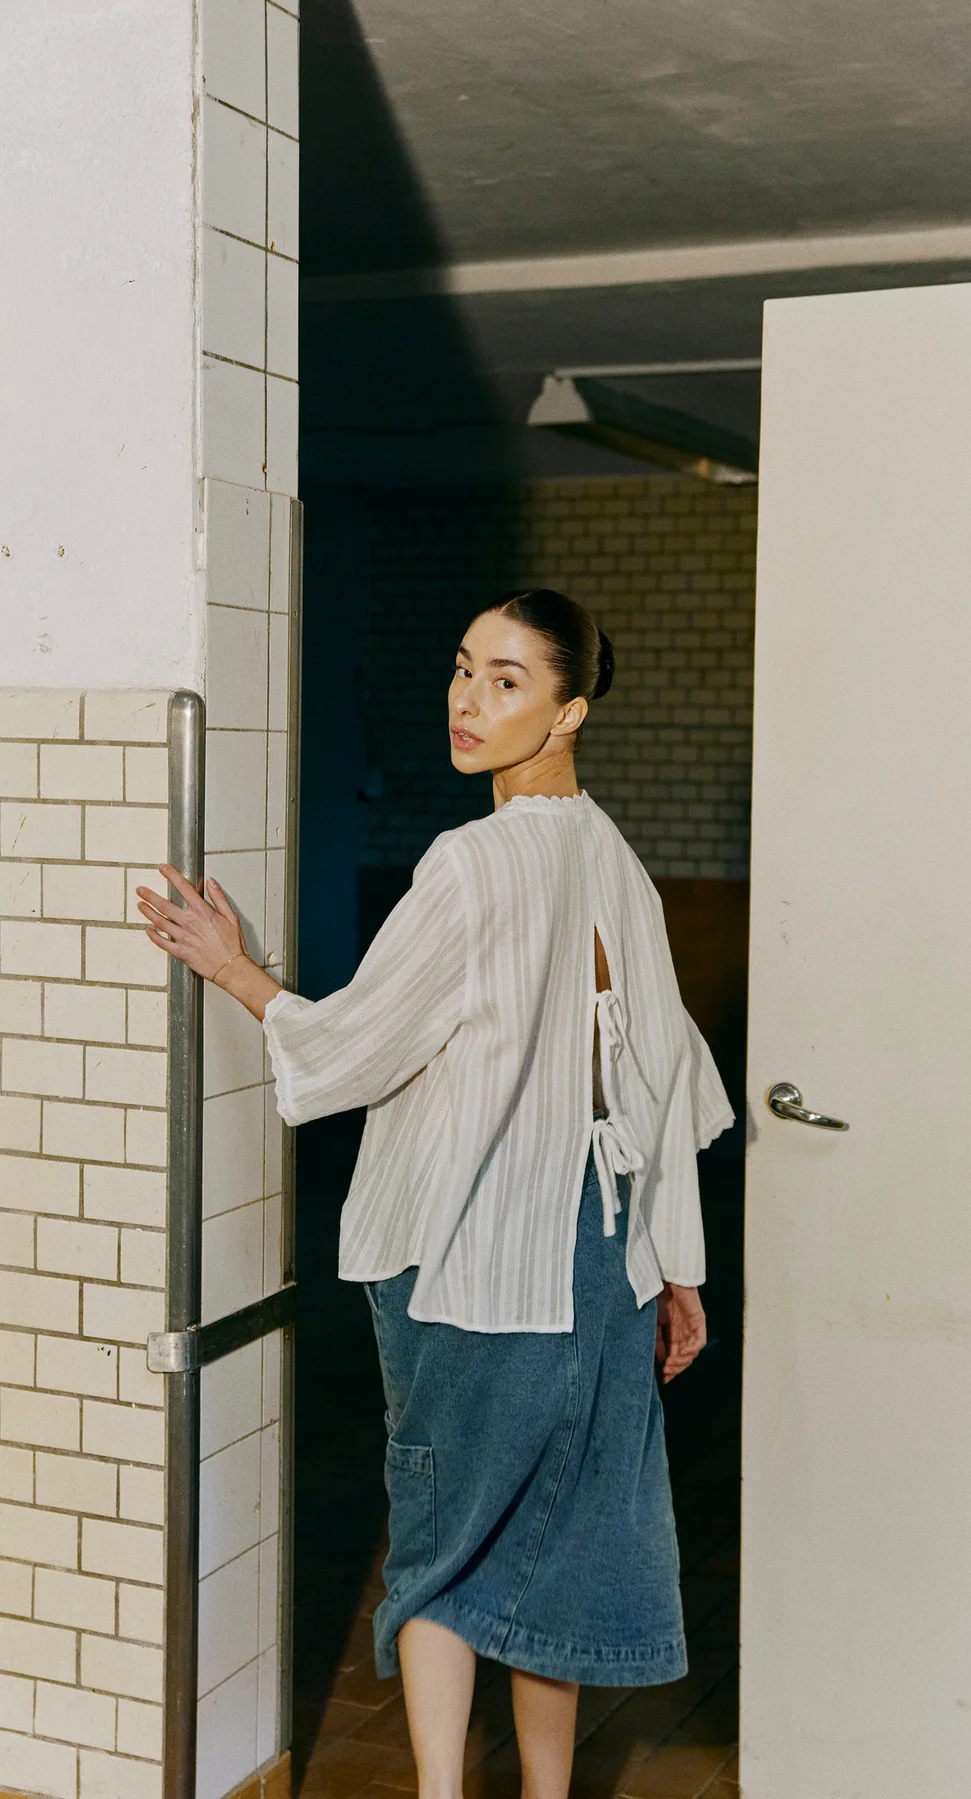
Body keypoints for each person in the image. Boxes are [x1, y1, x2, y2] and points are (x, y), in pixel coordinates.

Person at [138, 587, 733, 1799]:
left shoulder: (471, 864)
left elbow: (356, 1048)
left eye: (507, 680)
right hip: (603, 1257)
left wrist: (236, 967)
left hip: (474, 1258)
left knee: (441, 1552)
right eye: (465, 667)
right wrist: (677, 1266)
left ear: (568, 711)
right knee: (560, 1551)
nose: (469, 699)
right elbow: (665, 1081)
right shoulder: (617, 859)